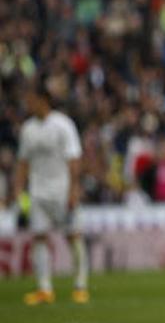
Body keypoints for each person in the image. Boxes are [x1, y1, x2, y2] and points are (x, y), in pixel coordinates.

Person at [12, 83, 89, 305]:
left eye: (31, 100)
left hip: (62, 191)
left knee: (73, 235)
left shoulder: (63, 125)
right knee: (39, 237)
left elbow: (74, 159)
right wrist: (18, 189)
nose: (28, 104)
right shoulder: (28, 129)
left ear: (43, 100)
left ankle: (80, 286)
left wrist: (74, 189)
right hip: (37, 193)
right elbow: (23, 162)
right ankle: (44, 289)